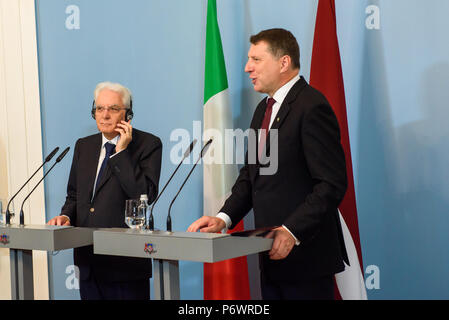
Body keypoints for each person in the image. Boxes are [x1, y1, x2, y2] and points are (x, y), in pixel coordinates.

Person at [188, 29, 349, 300]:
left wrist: (291, 230)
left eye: (256, 59)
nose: (247, 67)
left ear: (283, 63)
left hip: (306, 259)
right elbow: (252, 177)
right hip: (271, 257)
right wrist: (223, 217)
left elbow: (330, 184)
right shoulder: (263, 109)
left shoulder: (311, 106)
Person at [48, 81, 162, 300]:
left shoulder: (148, 144)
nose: (105, 115)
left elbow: (144, 196)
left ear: (128, 114)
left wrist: (121, 153)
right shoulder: (84, 145)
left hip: (125, 266)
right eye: (100, 108)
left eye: (113, 109)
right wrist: (65, 215)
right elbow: (74, 194)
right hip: (88, 261)